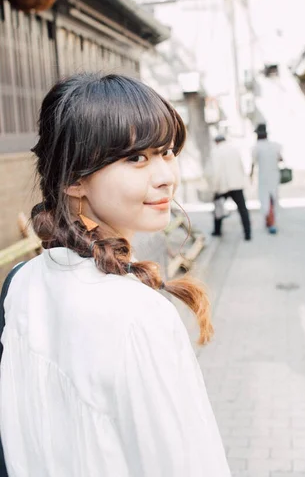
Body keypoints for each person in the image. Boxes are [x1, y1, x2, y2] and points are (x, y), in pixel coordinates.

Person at [0, 74, 231, 477]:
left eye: (167, 152)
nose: (164, 176)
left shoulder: (18, 283)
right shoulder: (140, 316)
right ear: (74, 179)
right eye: (136, 158)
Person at [207, 135, 251, 241]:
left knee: (218, 207)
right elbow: (242, 166)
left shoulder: (215, 152)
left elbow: (215, 171)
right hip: (236, 184)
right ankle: (247, 233)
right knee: (242, 209)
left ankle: (217, 231)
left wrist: (214, 188)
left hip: (223, 185)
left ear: (216, 142)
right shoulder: (234, 150)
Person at [251, 123, 282, 234]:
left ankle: (271, 222)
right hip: (274, 176)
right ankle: (270, 222)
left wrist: (250, 176)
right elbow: (281, 159)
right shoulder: (275, 145)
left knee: (265, 200)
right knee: (272, 199)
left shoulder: (256, 147)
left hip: (263, 177)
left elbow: (253, 163)